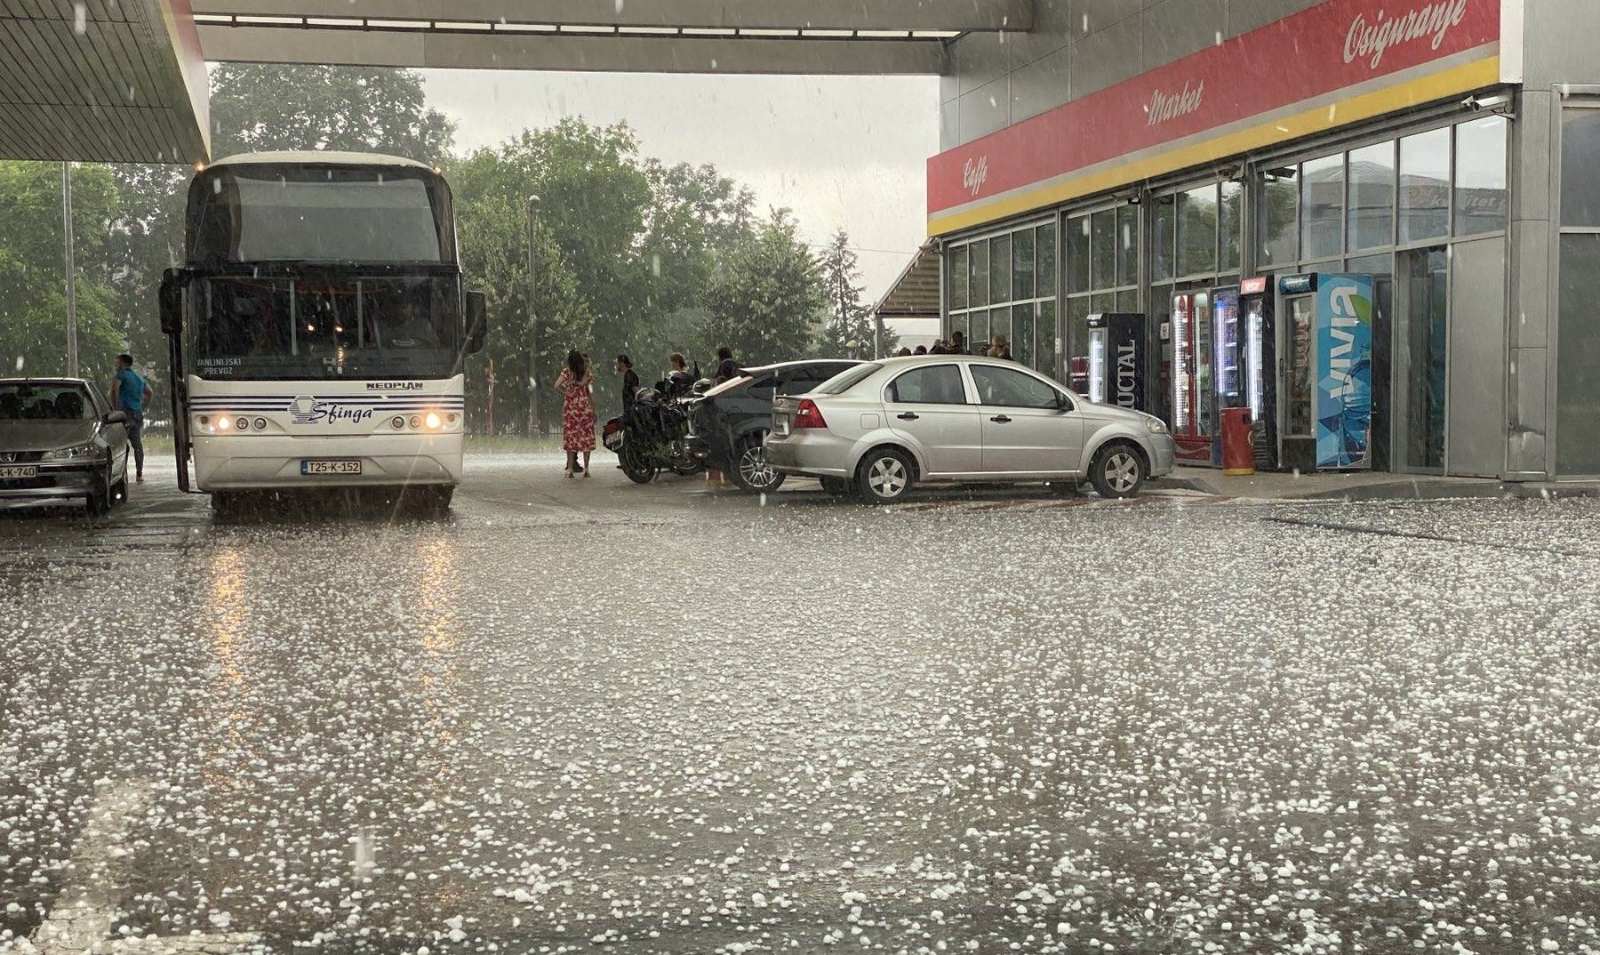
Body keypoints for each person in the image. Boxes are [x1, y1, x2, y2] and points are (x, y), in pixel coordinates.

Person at [108, 354, 152, 483]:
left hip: (123, 414)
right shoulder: (138, 377)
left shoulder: (121, 375)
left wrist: (115, 409)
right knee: (137, 444)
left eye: (117, 362)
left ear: (122, 363)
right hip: (137, 413)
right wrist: (142, 406)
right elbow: (150, 392)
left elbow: (114, 390)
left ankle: (120, 474)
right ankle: (139, 474)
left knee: (118, 445)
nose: (115, 365)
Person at [555, 350, 596, 478]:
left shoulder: (566, 372)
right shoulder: (587, 373)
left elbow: (556, 385)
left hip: (570, 409)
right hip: (584, 408)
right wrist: (594, 409)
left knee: (571, 438)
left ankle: (570, 469)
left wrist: (567, 392)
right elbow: (590, 392)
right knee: (586, 438)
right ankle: (587, 469)